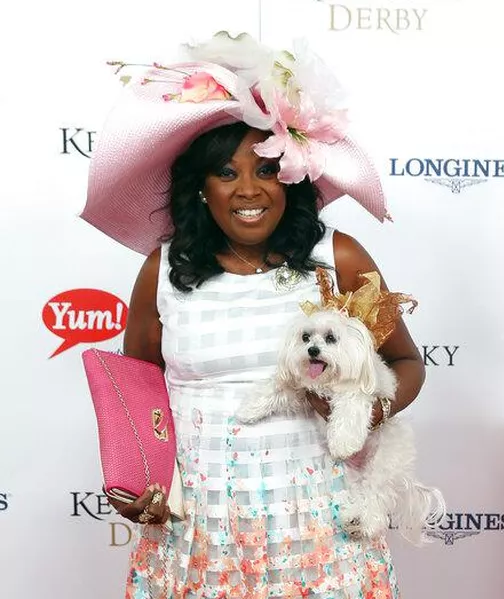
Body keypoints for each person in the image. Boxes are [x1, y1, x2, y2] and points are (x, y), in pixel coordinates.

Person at [82, 32, 424, 598]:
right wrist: (139, 478)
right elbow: (136, 394)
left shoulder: (338, 259)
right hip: (198, 526)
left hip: (318, 525)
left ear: (292, 178)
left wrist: (367, 409)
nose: (250, 190)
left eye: (267, 171)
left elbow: (406, 361)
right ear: (199, 190)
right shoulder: (161, 271)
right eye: (227, 174)